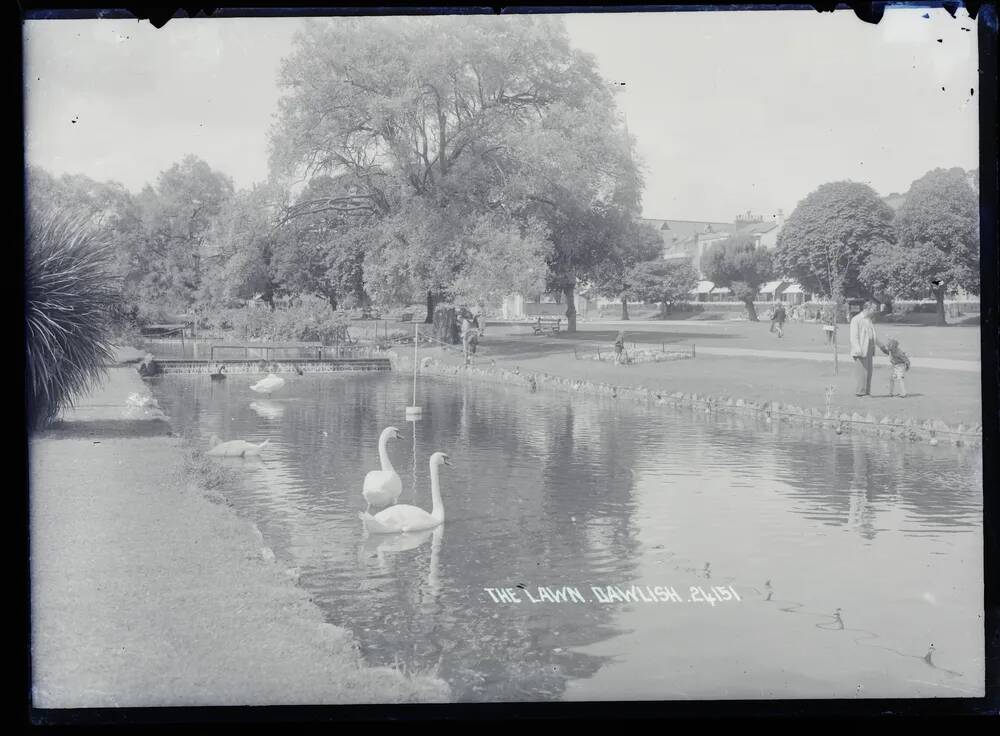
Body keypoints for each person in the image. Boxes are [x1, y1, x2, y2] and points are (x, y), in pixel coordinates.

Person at [849, 301, 879, 397]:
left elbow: (872, 335)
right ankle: (860, 392)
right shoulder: (856, 319)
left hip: (869, 347)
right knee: (862, 372)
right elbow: (854, 337)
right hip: (861, 349)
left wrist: (881, 346)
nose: (875, 311)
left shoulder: (868, 320)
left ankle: (867, 392)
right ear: (867, 309)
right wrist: (858, 350)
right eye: (873, 309)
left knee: (869, 371)